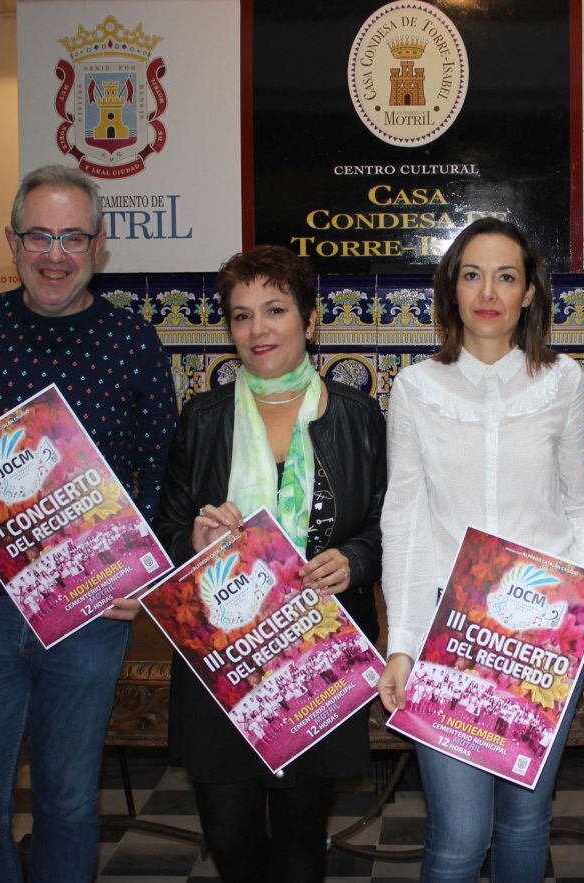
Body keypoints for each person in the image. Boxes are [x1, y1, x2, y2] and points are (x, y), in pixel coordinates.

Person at [0, 164, 177, 883]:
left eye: (73, 237)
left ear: (100, 244)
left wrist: (139, 569)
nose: (56, 253)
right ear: (14, 239)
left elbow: (164, 468)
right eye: (40, 235)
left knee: (66, 799)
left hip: (88, 610)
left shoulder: (131, 340)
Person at [376, 217, 584, 882]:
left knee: (523, 821)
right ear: (451, 289)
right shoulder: (415, 388)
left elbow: (579, 501)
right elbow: (401, 516)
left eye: (506, 275)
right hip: (447, 630)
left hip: (543, 632)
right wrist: (400, 642)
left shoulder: (563, 380)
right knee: (459, 833)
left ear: (530, 294)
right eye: (472, 273)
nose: (489, 290)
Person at [153, 245, 386, 882]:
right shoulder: (202, 419)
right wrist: (192, 537)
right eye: (241, 315)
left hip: (316, 651)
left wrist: (356, 559)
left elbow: (389, 525)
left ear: (309, 320)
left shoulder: (358, 415)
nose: (258, 330)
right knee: (230, 842)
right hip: (222, 656)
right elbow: (166, 529)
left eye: (275, 310)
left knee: (301, 847)